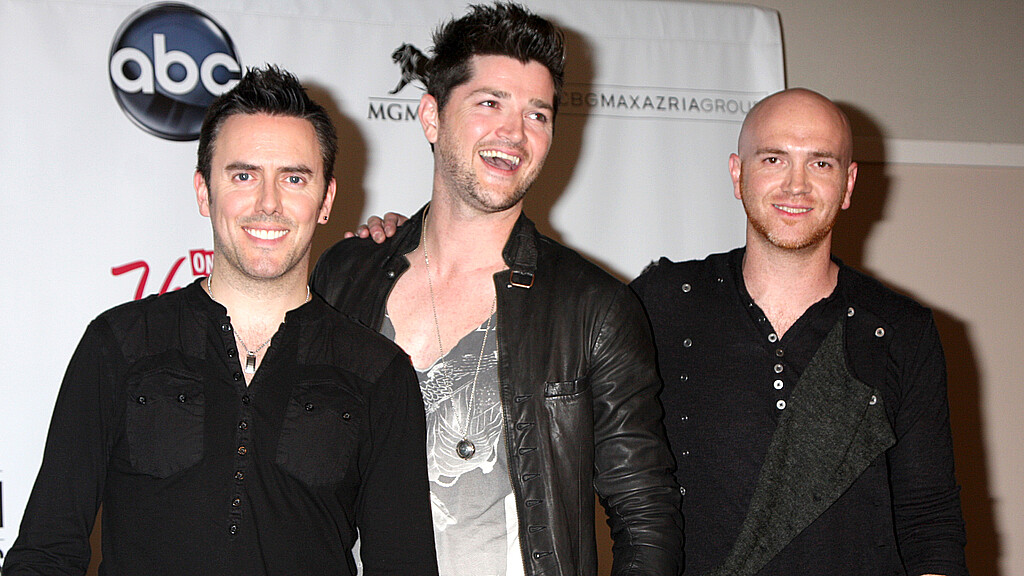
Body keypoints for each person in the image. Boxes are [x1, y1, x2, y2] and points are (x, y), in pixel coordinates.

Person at [2, 65, 438, 576]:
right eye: (243, 175)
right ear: (203, 192)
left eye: (294, 178)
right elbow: (45, 553)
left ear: (326, 201)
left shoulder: (378, 373)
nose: (268, 203)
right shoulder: (119, 344)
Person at [310, 3, 684, 576]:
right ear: (431, 116)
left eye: (538, 114)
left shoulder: (594, 308)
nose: (513, 133)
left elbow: (646, 519)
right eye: (489, 103)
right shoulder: (346, 276)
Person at [631, 88, 969, 575]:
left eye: (821, 164)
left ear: (848, 184)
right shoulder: (662, 304)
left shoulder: (899, 330)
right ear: (737, 173)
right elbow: (616, 490)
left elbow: (930, 521)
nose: (796, 185)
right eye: (774, 158)